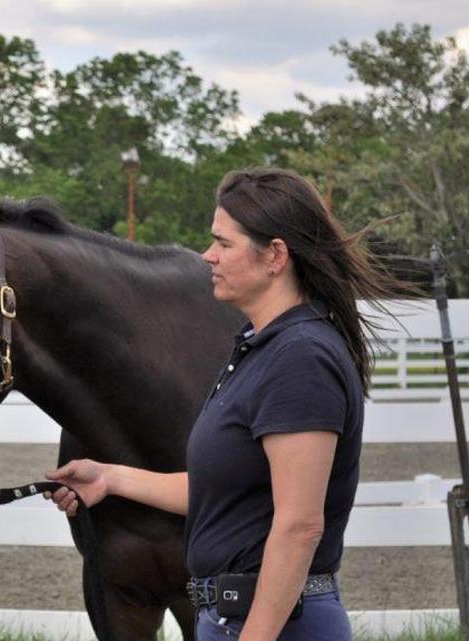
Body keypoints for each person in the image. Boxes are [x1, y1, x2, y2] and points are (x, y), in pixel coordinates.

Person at [46, 168, 408, 641]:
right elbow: (225, 489)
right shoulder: (261, 347)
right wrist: (110, 478)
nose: (207, 255)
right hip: (236, 618)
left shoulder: (301, 358)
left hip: (276, 623)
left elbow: (299, 527)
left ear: (275, 255)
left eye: (223, 243)